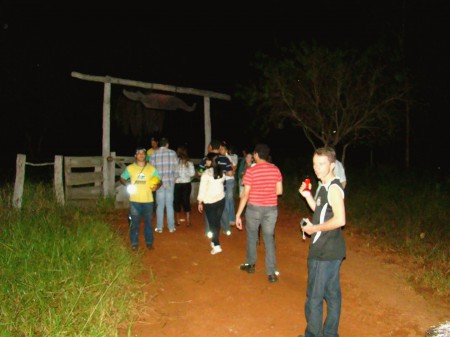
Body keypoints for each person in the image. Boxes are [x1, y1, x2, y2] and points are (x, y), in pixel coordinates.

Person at [298, 146, 346, 337]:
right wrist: (308, 196)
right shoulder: (323, 187)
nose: (317, 168)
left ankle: (313, 334)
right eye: (314, 164)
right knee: (332, 295)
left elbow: (340, 220)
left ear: (332, 165)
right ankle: (330, 334)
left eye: (322, 164)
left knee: (314, 298)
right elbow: (320, 211)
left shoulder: (333, 187)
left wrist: (314, 229)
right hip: (333, 250)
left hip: (325, 251)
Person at [235, 144, 283, 283]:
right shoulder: (275, 169)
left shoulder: (251, 171)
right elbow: (279, 191)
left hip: (254, 208)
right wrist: (267, 193)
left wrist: (238, 214)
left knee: (252, 236)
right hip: (271, 209)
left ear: (256, 155)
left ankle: (250, 265)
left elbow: (245, 194)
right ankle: (271, 273)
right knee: (269, 239)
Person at [120, 147, 161, 251]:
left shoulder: (152, 169)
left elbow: (159, 181)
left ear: (145, 155)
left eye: (143, 153)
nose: (141, 155)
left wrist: (157, 186)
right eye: (139, 153)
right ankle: (134, 243)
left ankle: (149, 242)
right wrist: (128, 184)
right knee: (134, 223)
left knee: (148, 223)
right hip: (134, 200)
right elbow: (122, 178)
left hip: (148, 200)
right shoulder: (130, 168)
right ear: (135, 156)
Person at [198, 139, 233, 237]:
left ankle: (209, 231)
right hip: (221, 188)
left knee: (209, 211)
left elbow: (200, 171)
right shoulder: (225, 159)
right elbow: (230, 173)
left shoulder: (206, 159)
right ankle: (226, 229)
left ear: (210, 147)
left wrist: (203, 169)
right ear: (219, 148)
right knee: (222, 209)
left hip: (209, 190)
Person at [197, 152, 226, 255]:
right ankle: (214, 242)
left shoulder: (206, 174)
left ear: (211, 161)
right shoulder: (222, 172)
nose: (206, 162)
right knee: (216, 222)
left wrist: (200, 202)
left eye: (207, 160)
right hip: (221, 200)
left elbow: (202, 189)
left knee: (213, 224)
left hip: (210, 202)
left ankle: (217, 245)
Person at [149, 137, 179, 233]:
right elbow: (176, 169)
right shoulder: (173, 153)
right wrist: (174, 179)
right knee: (170, 205)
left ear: (159, 144)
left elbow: (151, 170)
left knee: (160, 205)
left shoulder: (153, 154)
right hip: (170, 182)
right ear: (167, 144)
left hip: (159, 183)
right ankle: (171, 227)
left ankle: (159, 227)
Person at [174, 144, 195, 227]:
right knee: (186, 201)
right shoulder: (189, 162)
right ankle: (188, 222)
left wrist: (179, 175)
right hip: (186, 184)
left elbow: (174, 173)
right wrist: (186, 173)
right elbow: (192, 173)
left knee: (177, 201)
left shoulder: (176, 162)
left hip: (178, 184)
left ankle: (178, 221)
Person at [219, 141, 238, 228]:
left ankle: (228, 221)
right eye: (220, 149)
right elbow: (233, 168)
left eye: (222, 149)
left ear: (226, 150)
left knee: (227, 200)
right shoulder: (222, 158)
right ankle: (231, 220)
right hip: (225, 181)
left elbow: (234, 167)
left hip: (229, 181)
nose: (220, 150)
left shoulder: (227, 158)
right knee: (228, 201)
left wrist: (227, 172)